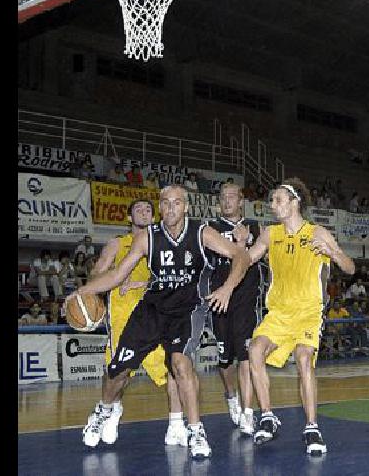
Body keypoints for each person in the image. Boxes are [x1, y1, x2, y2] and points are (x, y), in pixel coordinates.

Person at [74, 186, 252, 459]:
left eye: (177, 203)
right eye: (166, 203)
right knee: (117, 370)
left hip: (187, 310)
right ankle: (103, 409)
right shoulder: (147, 238)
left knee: (181, 364)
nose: (171, 208)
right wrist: (83, 292)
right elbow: (119, 274)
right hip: (152, 309)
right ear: (161, 207)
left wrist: (227, 288)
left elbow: (241, 256)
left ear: (186, 207)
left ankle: (195, 429)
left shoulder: (201, 232)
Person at [245, 178, 355, 455]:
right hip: (280, 313)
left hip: (308, 312)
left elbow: (350, 267)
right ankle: (267, 415)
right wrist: (235, 247)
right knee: (255, 350)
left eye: (278, 199)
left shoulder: (318, 232)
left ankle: (312, 427)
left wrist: (332, 252)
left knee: (304, 358)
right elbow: (247, 258)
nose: (273, 205)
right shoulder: (270, 234)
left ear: (295, 203)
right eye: (272, 200)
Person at [81, 199, 187, 448]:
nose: (144, 212)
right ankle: (111, 409)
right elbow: (96, 274)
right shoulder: (117, 244)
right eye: (138, 209)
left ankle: (176, 425)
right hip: (123, 314)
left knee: (175, 368)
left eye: (148, 209)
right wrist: (115, 278)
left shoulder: (162, 244)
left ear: (154, 217)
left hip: (156, 314)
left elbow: (176, 278)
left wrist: (144, 283)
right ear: (129, 218)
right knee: (118, 373)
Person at [204, 183, 264, 436]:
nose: (227, 201)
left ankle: (248, 412)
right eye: (223, 197)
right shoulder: (209, 229)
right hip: (219, 300)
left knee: (246, 356)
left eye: (232, 197)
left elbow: (265, 256)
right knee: (225, 359)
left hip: (245, 300)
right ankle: (231, 395)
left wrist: (247, 241)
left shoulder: (256, 228)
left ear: (241, 201)